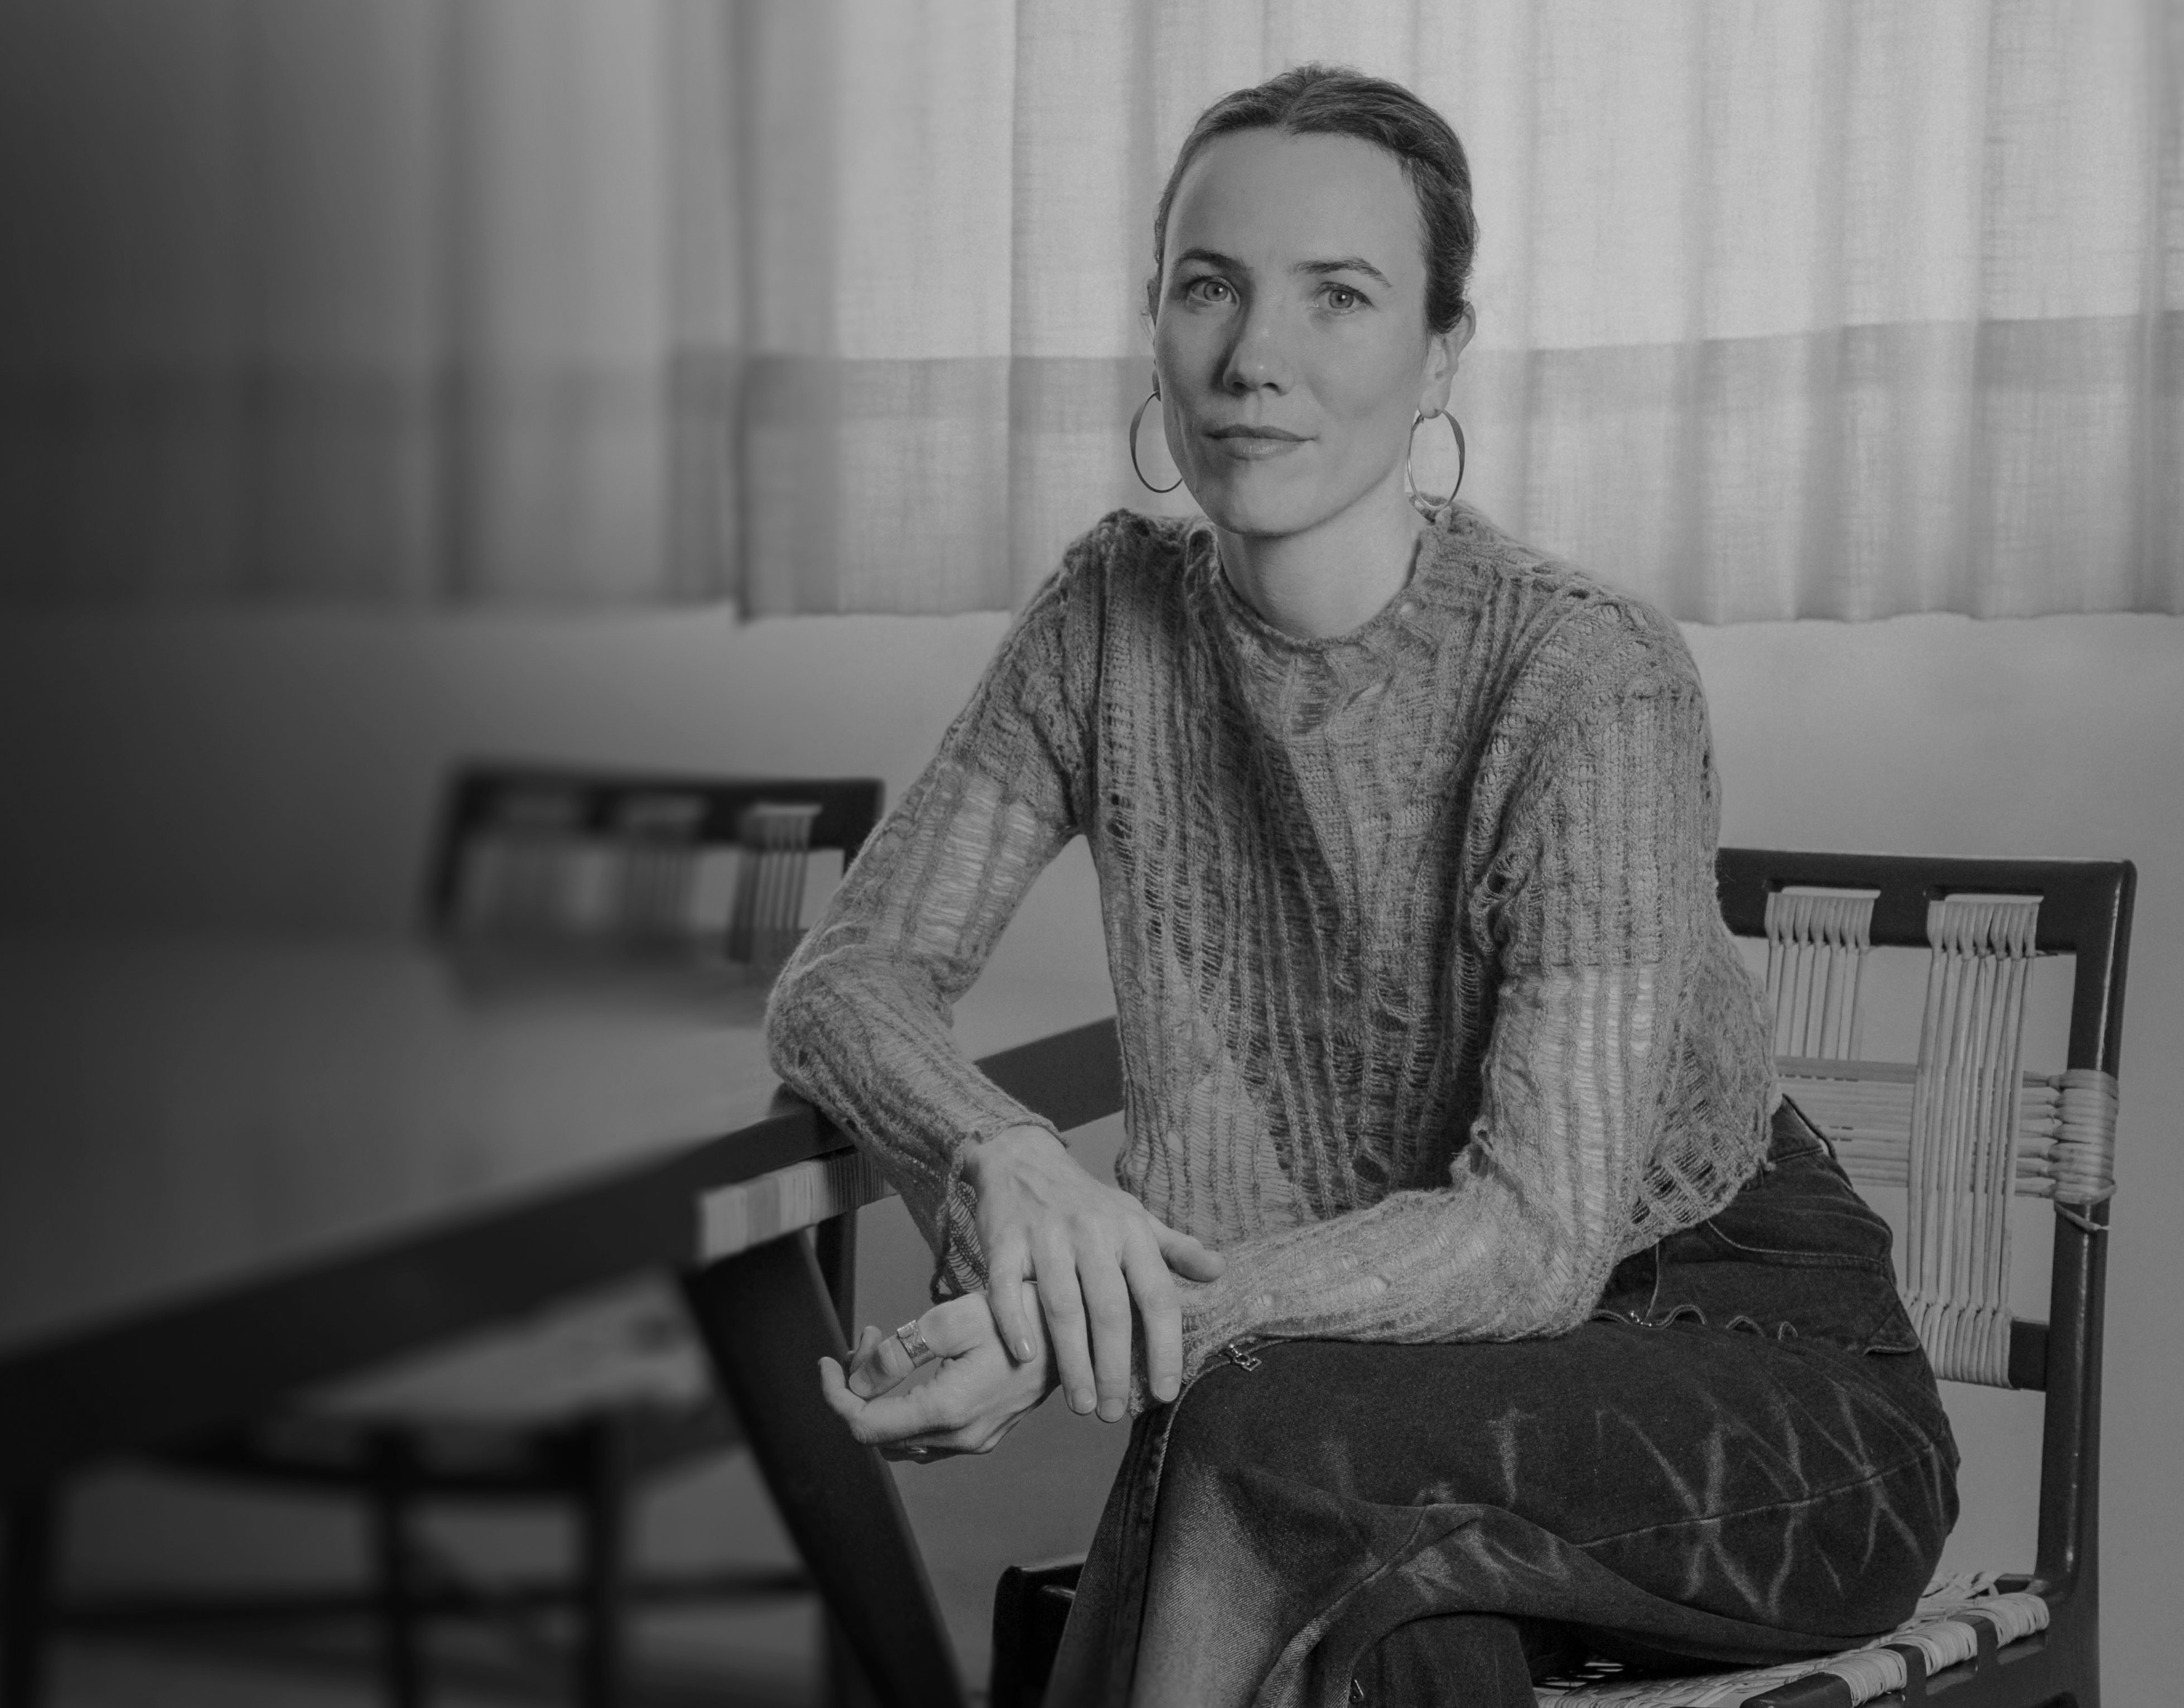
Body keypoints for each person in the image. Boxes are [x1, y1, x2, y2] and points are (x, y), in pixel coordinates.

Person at [764, 64, 1958, 1708]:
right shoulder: (1107, 627)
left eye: (1338, 294)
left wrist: (1066, 1329)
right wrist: (999, 1160)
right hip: (1355, 1416)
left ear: (1441, 348)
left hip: (1750, 1402)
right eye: (1210, 286)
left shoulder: (1582, 677)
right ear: (1155, 321)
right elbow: (843, 980)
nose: (1255, 356)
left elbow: (1532, 1242)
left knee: (1255, 1430)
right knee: (1363, 1586)